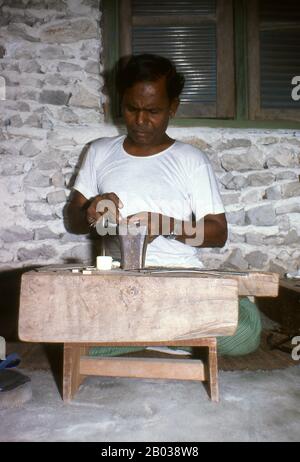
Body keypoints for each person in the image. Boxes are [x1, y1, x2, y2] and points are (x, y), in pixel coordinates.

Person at [67, 54, 261, 357]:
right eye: (132, 108)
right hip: (121, 285)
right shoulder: (99, 152)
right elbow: (74, 222)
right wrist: (91, 210)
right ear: (122, 103)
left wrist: (169, 227)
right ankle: (173, 333)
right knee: (66, 333)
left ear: (173, 107)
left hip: (180, 283)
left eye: (153, 111)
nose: (141, 120)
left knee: (245, 336)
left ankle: (139, 333)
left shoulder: (190, 160)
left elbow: (217, 234)